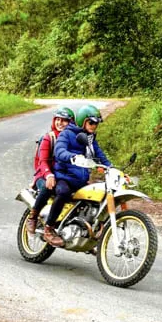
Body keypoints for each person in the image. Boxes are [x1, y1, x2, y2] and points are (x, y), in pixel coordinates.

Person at [41, 104, 111, 248]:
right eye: (91, 122)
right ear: (82, 121)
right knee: (63, 192)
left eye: (96, 123)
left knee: (96, 197)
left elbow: (101, 156)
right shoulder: (67, 133)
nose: (94, 125)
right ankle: (48, 228)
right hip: (64, 176)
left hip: (80, 179)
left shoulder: (90, 139)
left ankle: (87, 233)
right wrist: (72, 157)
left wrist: (112, 169)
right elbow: (59, 151)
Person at [27, 106, 74, 234]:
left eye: (64, 120)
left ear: (71, 123)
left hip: (62, 176)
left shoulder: (73, 140)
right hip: (44, 175)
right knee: (49, 187)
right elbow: (42, 161)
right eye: (58, 119)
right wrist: (48, 175)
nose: (60, 123)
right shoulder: (50, 137)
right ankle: (33, 216)